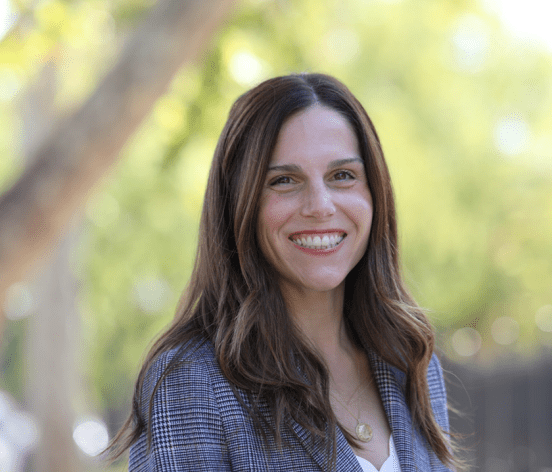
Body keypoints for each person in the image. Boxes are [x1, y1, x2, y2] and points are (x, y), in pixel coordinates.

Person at [106, 73, 457, 472]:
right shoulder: (192, 382)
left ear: (374, 193)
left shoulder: (410, 359)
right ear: (241, 204)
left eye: (342, 176)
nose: (320, 205)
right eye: (284, 181)